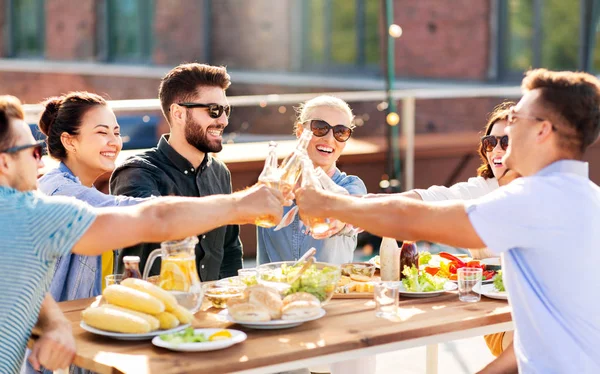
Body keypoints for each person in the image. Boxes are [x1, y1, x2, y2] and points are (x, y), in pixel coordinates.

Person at [296, 69, 600, 373]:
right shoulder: (586, 196)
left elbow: (411, 219)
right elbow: (537, 342)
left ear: (542, 131)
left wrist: (327, 203)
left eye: (516, 119)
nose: (506, 131)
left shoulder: (534, 198)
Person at [0, 95, 283, 374]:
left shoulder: (29, 209)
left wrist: (55, 324)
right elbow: (154, 218)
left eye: (116, 132)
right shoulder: (35, 206)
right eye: (33, 152)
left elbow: (29, 277)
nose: (40, 163)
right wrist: (241, 205)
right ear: (5, 163)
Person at [110, 63, 242, 281]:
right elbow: (154, 222)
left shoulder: (220, 172)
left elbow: (230, 250)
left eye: (226, 110)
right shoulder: (136, 173)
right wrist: (238, 205)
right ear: (179, 113)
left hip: (210, 309)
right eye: (214, 111)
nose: (224, 120)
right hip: (152, 309)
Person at [36, 92, 148, 303]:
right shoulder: (60, 192)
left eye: (116, 133)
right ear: (69, 141)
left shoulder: (74, 186)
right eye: (101, 132)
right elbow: (133, 211)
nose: (114, 142)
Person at [257, 95, 367, 265]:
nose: (330, 139)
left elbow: (351, 212)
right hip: (277, 290)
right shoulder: (273, 185)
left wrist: (339, 219)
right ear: (301, 132)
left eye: (340, 132)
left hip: (329, 291)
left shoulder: (352, 186)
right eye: (320, 127)